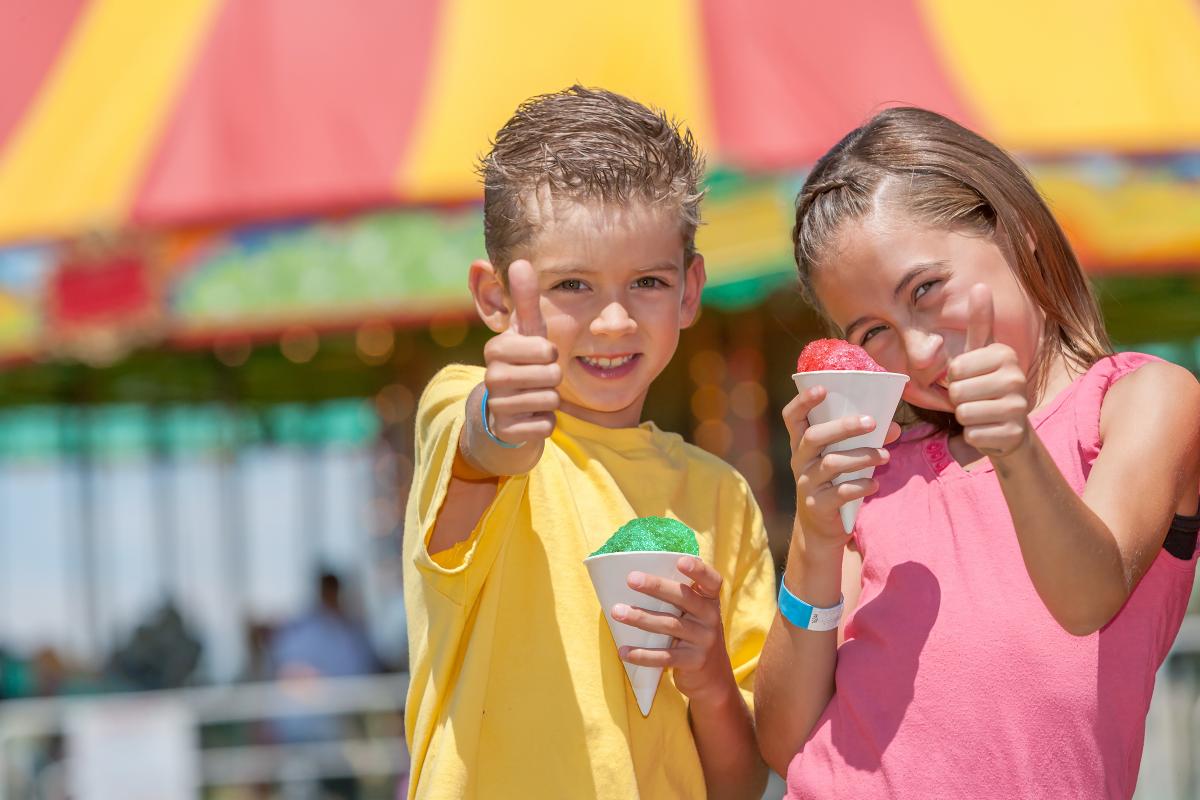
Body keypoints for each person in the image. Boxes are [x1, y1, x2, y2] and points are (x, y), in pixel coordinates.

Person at [754, 107, 1200, 798]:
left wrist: (1015, 445)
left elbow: (1088, 598)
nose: (920, 349)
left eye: (927, 290)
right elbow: (786, 741)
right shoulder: (879, 470)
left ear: (1017, 234)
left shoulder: (1140, 401)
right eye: (874, 332)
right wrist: (815, 538)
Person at [403, 86, 774, 799]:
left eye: (647, 282)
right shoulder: (460, 404)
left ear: (690, 289)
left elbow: (741, 783)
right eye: (571, 284)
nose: (613, 321)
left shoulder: (722, 497)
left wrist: (712, 684)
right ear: (495, 300)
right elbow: (487, 445)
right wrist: (502, 420)